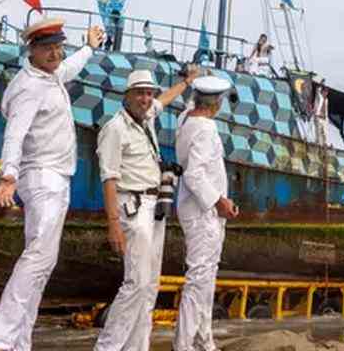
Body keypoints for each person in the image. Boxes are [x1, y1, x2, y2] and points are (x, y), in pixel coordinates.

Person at [0, 17, 104, 351]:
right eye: (47, 48)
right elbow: (15, 134)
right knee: (37, 257)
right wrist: (8, 174)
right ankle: (1, 340)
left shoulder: (50, 77)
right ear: (32, 51)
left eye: (57, 47)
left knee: (43, 262)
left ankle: (20, 342)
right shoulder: (29, 87)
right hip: (42, 177)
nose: (54, 54)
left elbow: (69, 69)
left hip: (56, 178)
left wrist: (89, 49)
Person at [94, 66, 198, 351]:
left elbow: (163, 100)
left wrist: (186, 83)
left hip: (154, 208)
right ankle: (107, 347)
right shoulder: (115, 129)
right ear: (127, 96)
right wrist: (113, 223)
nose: (145, 98)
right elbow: (109, 179)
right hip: (132, 209)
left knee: (150, 286)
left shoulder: (146, 116)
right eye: (139, 93)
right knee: (135, 284)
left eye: (148, 93)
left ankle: (137, 347)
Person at [173, 75, 238, 351]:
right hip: (203, 212)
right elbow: (194, 174)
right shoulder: (206, 129)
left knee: (207, 274)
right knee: (199, 276)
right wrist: (219, 201)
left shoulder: (185, 119)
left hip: (195, 209)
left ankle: (203, 339)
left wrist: (191, 82)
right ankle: (184, 344)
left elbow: (190, 105)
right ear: (216, 103)